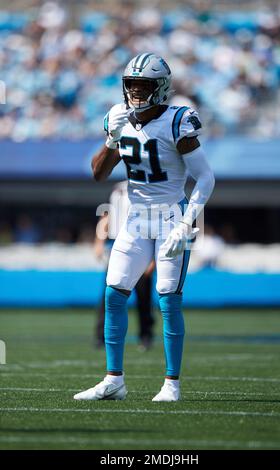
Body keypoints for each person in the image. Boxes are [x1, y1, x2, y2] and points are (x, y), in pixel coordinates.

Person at [74, 53, 215, 402]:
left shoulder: (176, 122)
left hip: (171, 217)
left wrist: (187, 222)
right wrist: (112, 139)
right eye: (131, 84)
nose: (136, 91)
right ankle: (113, 380)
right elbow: (98, 173)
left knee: (167, 299)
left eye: (144, 85)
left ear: (161, 88)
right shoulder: (118, 118)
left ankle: (172, 384)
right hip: (135, 218)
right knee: (114, 292)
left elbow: (206, 177)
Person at [94, 181, 155, 350]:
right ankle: (102, 336)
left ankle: (145, 335)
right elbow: (106, 217)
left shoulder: (150, 187)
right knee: (110, 294)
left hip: (143, 247)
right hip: (118, 248)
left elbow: (157, 221)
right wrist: (99, 241)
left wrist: (153, 259)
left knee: (143, 297)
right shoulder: (117, 189)